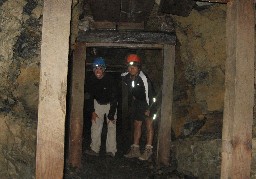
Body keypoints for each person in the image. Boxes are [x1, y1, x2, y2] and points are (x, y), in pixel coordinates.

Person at [122, 54, 157, 161]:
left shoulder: (143, 79)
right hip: (138, 102)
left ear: (138, 67)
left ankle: (148, 150)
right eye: (129, 66)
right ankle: (135, 149)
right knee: (137, 124)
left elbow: (151, 95)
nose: (131, 69)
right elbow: (123, 78)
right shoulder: (126, 76)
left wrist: (150, 108)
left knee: (149, 124)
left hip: (149, 102)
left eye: (134, 67)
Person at [85, 57, 118, 157]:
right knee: (95, 126)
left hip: (110, 104)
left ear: (104, 69)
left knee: (111, 126)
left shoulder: (110, 80)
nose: (98, 71)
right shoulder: (91, 80)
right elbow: (89, 96)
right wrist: (92, 111)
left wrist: (111, 114)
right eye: (96, 68)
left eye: (100, 68)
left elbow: (114, 97)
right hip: (97, 103)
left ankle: (111, 150)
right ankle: (94, 149)